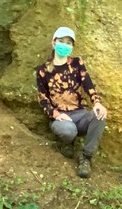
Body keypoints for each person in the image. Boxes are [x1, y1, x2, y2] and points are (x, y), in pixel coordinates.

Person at [34, 26, 107, 178]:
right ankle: (66, 142)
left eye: (69, 43)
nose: (65, 45)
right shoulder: (42, 71)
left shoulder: (76, 63)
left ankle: (86, 157)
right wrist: (55, 113)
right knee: (68, 130)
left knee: (99, 116)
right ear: (54, 43)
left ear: (72, 47)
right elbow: (42, 98)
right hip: (60, 118)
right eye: (61, 41)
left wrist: (97, 103)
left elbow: (88, 84)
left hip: (79, 114)